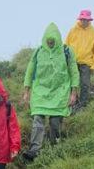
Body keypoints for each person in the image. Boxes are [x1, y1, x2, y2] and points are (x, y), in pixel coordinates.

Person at [21, 23, 79, 161]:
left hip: (60, 92)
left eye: (53, 41)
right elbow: (30, 70)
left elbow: (73, 70)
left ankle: (55, 148)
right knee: (38, 120)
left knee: (54, 122)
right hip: (41, 92)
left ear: (58, 39)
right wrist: (27, 90)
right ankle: (34, 150)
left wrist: (74, 92)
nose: (51, 43)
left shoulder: (66, 51)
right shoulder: (39, 51)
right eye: (48, 41)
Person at [64, 9, 94, 111]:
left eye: (86, 20)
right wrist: (65, 61)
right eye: (83, 19)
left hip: (86, 63)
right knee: (72, 83)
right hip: (73, 62)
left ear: (89, 20)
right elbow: (66, 46)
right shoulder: (73, 30)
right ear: (80, 19)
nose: (84, 21)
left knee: (85, 84)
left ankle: (82, 105)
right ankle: (73, 103)